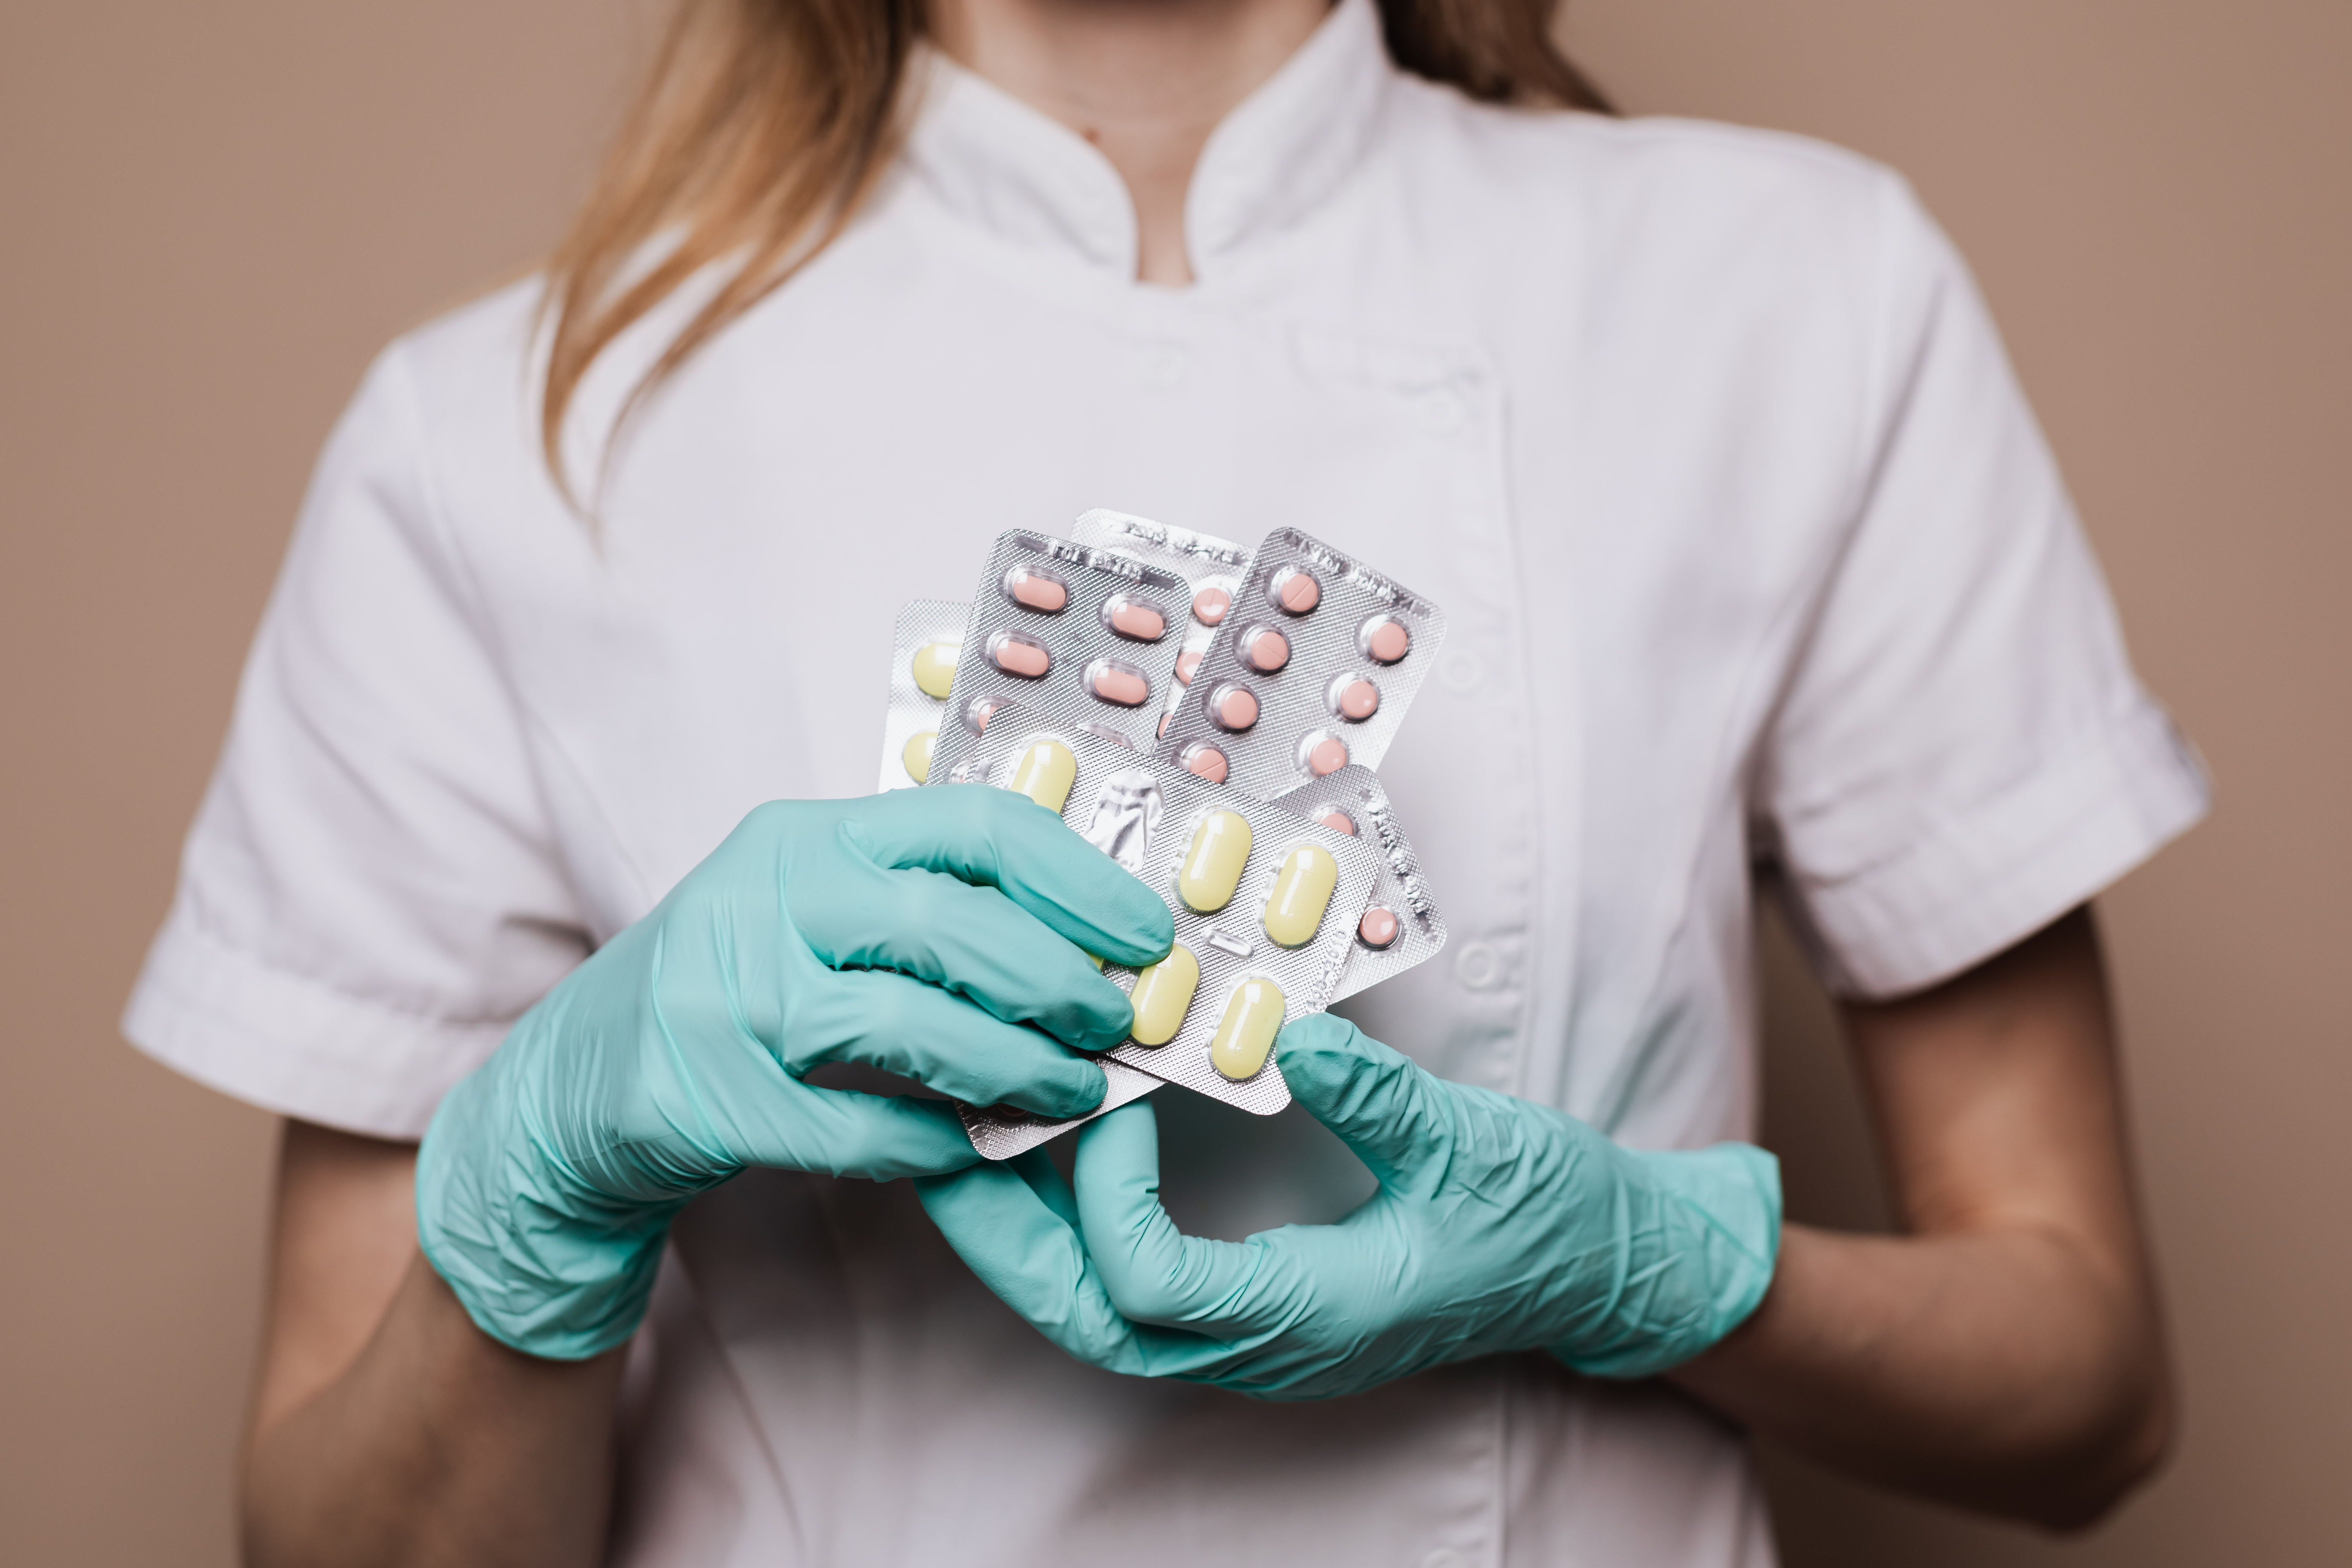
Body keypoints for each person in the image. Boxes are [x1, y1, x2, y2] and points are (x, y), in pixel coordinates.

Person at [124, 0, 2210, 1561]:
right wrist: (541, 1188)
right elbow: (336, 1543)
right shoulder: (497, 435)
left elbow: (2088, 1390)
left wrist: (1657, 1265)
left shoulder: (1795, 296)